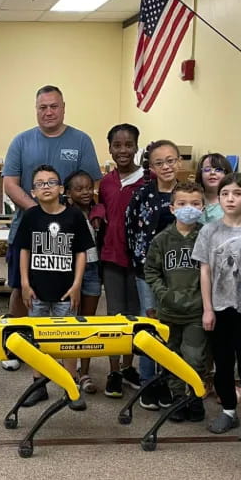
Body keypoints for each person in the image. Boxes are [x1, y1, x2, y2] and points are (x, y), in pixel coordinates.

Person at [2, 85, 102, 370]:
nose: (48, 112)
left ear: (63, 107)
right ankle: (15, 343)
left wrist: (59, 214)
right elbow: (10, 183)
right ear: (36, 110)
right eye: (42, 107)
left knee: (63, 292)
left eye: (53, 106)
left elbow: (88, 183)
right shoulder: (21, 141)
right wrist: (40, 214)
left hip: (68, 233)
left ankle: (60, 347)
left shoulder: (81, 141)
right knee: (22, 289)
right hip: (28, 228)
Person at [16, 164, 94, 408]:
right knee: (37, 338)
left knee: (67, 338)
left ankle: (71, 385)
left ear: (61, 188)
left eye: (51, 182)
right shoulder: (30, 216)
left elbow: (81, 252)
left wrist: (77, 284)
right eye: (40, 183)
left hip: (66, 290)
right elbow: (24, 251)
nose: (46, 187)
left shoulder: (74, 216)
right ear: (33, 191)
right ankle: (39, 384)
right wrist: (25, 284)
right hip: (37, 290)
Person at [192, 172, 241, 441]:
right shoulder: (209, 231)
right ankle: (229, 411)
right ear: (217, 198)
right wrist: (208, 309)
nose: (230, 199)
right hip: (219, 309)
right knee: (221, 364)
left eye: (237, 194)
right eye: (225, 194)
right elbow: (205, 271)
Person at [143, 181, 207, 422]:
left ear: (203, 207)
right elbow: (151, 271)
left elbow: (213, 273)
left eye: (194, 203)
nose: (188, 208)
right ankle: (178, 397)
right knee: (171, 357)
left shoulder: (205, 237)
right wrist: (164, 294)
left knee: (194, 358)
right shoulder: (162, 239)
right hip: (168, 312)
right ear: (172, 208)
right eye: (182, 203)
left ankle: (195, 396)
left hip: (196, 312)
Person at [125, 139, 181, 408]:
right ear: (151, 166)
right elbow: (131, 230)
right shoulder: (142, 195)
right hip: (148, 272)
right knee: (151, 326)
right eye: (159, 163)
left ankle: (170, 382)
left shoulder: (189, 194)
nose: (166, 166)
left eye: (171, 160)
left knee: (174, 329)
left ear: (178, 161)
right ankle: (148, 382)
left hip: (183, 274)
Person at [92, 123, 144, 397]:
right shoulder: (107, 182)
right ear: (110, 148)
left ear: (136, 147)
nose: (123, 150)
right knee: (114, 316)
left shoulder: (146, 180)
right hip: (111, 257)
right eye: (117, 145)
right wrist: (98, 212)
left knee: (134, 317)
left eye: (128, 145)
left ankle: (128, 367)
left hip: (137, 261)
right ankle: (113, 370)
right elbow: (100, 207)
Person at [64, 169, 101, 394]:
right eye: (79, 189)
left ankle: (85, 371)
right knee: (71, 322)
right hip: (70, 272)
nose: (86, 192)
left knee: (88, 322)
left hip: (93, 270)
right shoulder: (65, 215)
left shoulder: (98, 212)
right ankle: (71, 370)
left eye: (89, 187)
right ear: (68, 192)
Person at [195, 152, 241, 225]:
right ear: (200, 174)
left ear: (227, 174)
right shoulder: (193, 199)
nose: (212, 172)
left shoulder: (236, 202)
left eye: (218, 169)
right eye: (207, 169)